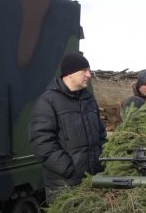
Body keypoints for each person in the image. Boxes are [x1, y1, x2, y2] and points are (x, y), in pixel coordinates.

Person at [29, 51, 107, 202]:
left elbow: (101, 133)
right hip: (64, 186)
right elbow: (41, 143)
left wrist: (101, 162)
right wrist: (68, 169)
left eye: (89, 70)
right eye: (84, 70)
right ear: (70, 73)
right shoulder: (48, 101)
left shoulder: (88, 99)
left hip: (92, 181)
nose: (89, 75)